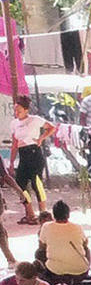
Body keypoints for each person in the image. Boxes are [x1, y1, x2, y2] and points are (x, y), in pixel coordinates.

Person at [10, 94, 51, 226]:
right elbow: (15, 143)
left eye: (19, 111)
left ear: (26, 110)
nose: (17, 113)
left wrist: (41, 139)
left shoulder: (35, 120)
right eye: (15, 110)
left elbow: (51, 127)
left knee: (36, 183)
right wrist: (11, 162)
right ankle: (30, 213)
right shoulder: (14, 124)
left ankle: (43, 213)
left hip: (34, 153)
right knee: (21, 184)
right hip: (23, 154)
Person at [36, 200, 90, 281]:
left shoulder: (46, 226)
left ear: (54, 216)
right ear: (68, 215)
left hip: (55, 272)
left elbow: (41, 246)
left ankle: (48, 279)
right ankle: (83, 275)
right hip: (80, 272)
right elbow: (85, 244)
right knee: (87, 249)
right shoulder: (77, 227)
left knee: (39, 252)